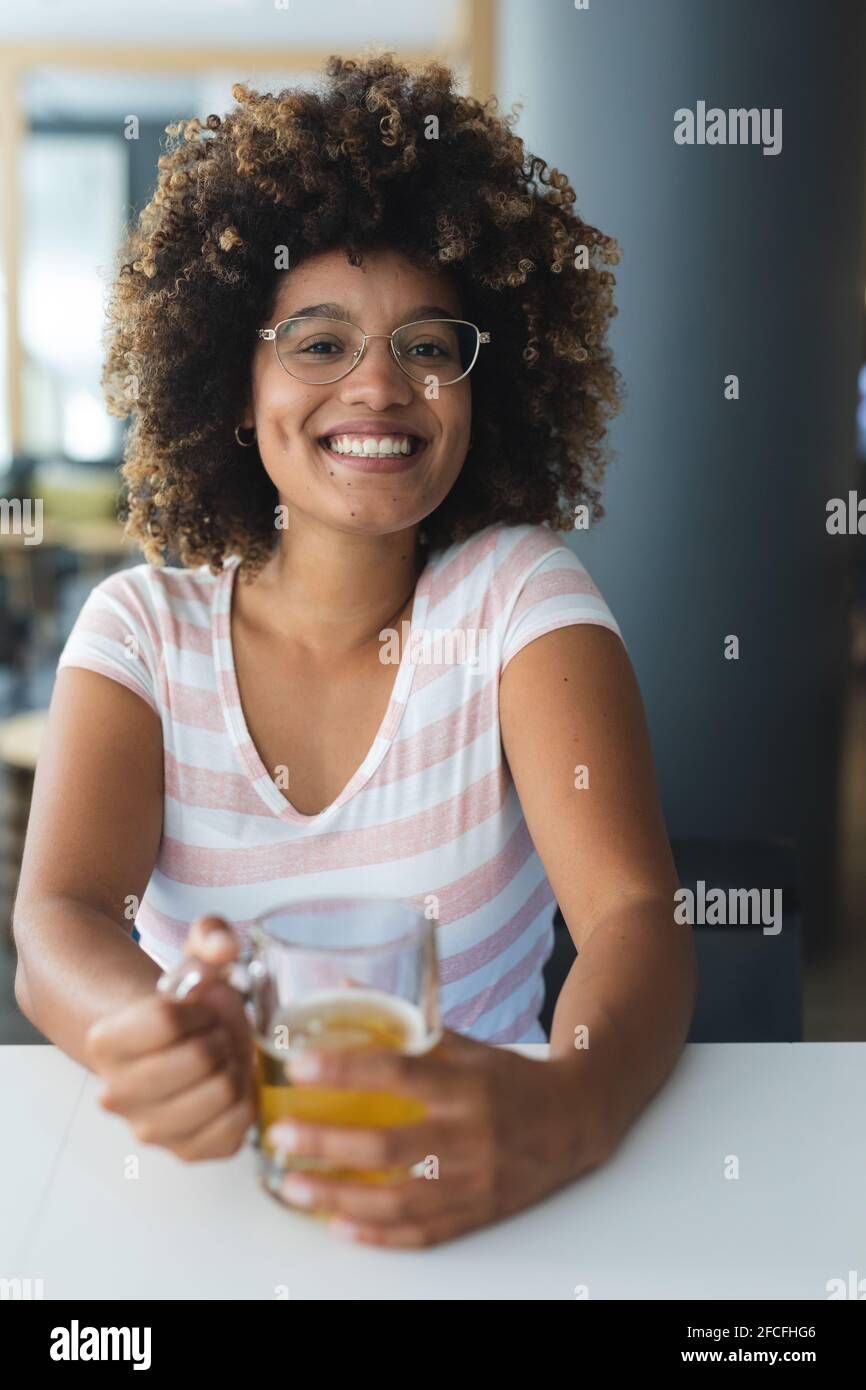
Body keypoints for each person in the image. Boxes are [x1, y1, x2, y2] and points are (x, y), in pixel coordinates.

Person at [12, 53, 696, 1249]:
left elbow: (634, 911)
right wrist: (153, 1027)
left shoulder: (516, 598)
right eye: (319, 344)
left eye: (428, 344)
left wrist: (567, 1108)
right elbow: (61, 917)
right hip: (210, 1211)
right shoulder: (140, 630)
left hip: (490, 1195)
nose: (381, 386)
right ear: (234, 381)